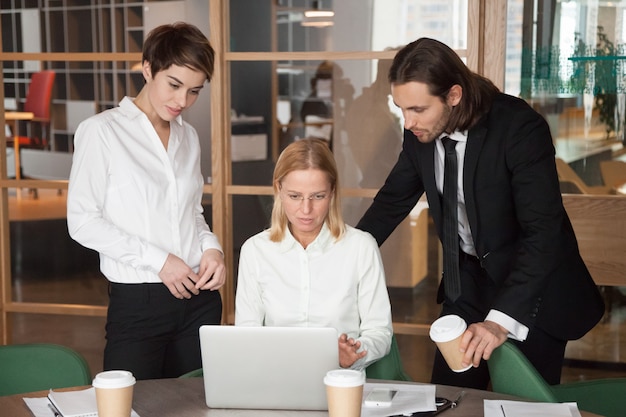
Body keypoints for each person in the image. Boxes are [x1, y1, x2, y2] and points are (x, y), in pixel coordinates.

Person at [356, 38, 604, 389]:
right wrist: (344, 257)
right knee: (448, 399)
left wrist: (500, 321)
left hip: (532, 291)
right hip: (468, 285)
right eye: (401, 109)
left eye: (418, 109)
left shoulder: (518, 128)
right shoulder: (419, 133)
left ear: (453, 95)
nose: (408, 122)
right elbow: (391, 202)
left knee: (523, 408)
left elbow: (543, 232)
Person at [66, 22, 226, 380]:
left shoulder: (189, 137)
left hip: (199, 298)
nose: (182, 101)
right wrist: (160, 261)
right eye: (174, 85)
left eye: (194, 91)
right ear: (148, 68)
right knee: (132, 405)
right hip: (139, 304)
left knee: (197, 406)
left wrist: (211, 249)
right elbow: (82, 222)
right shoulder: (102, 132)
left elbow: (192, 213)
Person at [235, 138, 392, 371]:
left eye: (318, 196)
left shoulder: (361, 247)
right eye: (295, 196)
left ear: (332, 192)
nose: (306, 210)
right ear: (279, 190)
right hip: (275, 379)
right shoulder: (255, 251)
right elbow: (247, 334)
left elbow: (380, 332)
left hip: (340, 382)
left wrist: (355, 352)